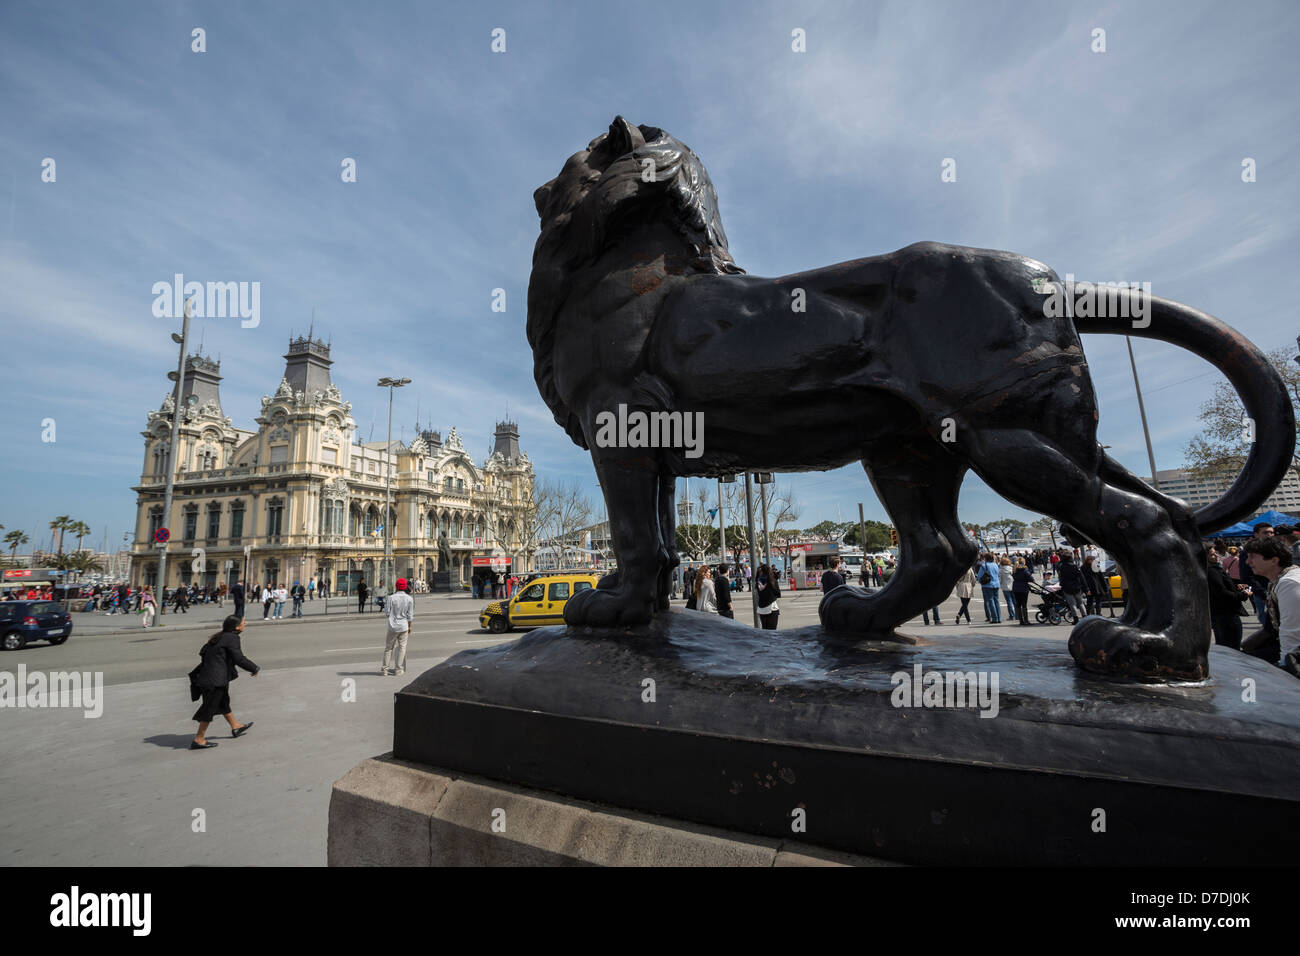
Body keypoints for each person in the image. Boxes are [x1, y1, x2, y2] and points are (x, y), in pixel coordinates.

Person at [188, 615, 258, 750]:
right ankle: (199, 739)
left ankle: (235, 726)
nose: (245, 624)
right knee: (209, 708)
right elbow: (239, 658)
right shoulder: (232, 638)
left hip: (210, 677)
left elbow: (204, 653)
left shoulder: (219, 636)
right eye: (243, 623)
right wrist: (253, 668)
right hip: (215, 680)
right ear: (237, 627)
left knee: (223, 702)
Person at [1242, 536, 1300, 669]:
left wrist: (1287, 665)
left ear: (1274, 560)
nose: (1247, 562)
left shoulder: (1289, 583)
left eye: (1252, 557)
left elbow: (1292, 631)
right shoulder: (1280, 580)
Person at [1206, 547, 1249, 650]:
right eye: (1212, 554)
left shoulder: (1215, 569)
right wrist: (1243, 595)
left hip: (1223, 614)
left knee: (1227, 645)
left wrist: (1235, 587)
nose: (1216, 556)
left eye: (1215, 552)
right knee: (1231, 646)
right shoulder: (1211, 571)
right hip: (1225, 614)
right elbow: (1221, 593)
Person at [381, 577, 415, 677]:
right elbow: (410, 616)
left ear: (396, 586)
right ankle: (398, 669)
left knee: (388, 648)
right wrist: (410, 627)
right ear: (405, 587)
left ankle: (385, 670)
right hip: (404, 626)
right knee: (402, 648)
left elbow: (387, 613)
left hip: (392, 626)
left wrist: (393, 616)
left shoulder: (390, 598)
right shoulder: (409, 599)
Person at [1056, 551, 1087, 621]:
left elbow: (1061, 578)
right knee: (1081, 603)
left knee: (1072, 604)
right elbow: (1081, 577)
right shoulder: (1075, 566)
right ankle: (1085, 617)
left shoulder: (1062, 567)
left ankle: (1075, 619)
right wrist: (1085, 587)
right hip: (1076, 586)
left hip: (1067, 587)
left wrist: (1062, 585)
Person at [977, 553, 1002, 623]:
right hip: (996, 584)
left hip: (987, 585)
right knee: (996, 601)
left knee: (991, 601)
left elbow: (979, 576)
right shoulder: (995, 565)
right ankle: (999, 618)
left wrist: (980, 581)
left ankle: (994, 618)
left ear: (985, 558)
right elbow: (998, 574)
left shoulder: (984, 565)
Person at [756, 563, 780, 629]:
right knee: (773, 631)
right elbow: (778, 594)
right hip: (772, 607)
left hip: (761, 608)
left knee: (765, 629)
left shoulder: (758, 582)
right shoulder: (772, 581)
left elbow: (759, 593)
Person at [1012, 559, 1035, 627]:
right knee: (1024, 605)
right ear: (1024, 562)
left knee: (1018, 605)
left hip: (1016, 588)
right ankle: (1026, 620)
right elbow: (1030, 578)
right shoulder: (1024, 569)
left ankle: (1021, 620)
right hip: (1023, 588)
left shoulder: (1015, 569)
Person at [998, 555, 1017, 621]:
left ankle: (1012, 616)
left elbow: (999, 579)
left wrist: (1000, 584)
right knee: (1015, 601)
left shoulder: (1000, 570)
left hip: (1005, 587)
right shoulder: (1012, 568)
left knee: (1009, 602)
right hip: (1013, 586)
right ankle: (1017, 615)